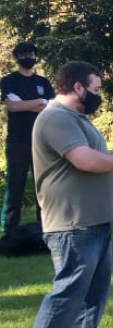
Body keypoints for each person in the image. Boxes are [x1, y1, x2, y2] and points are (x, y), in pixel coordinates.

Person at [7, 61, 113, 328]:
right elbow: (85, 161)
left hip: (95, 221)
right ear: (79, 87)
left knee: (93, 294)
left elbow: (95, 157)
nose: (100, 95)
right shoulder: (56, 117)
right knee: (67, 294)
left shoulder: (77, 119)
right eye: (96, 89)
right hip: (71, 224)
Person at [1, 42, 55, 233]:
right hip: (17, 142)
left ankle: (44, 227)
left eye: (31, 54)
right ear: (16, 58)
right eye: (24, 55)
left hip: (41, 141)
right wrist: (39, 102)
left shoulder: (43, 82)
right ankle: (9, 230)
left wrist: (29, 103)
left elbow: (50, 106)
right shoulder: (8, 81)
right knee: (15, 186)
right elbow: (13, 106)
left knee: (42, 185)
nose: (29, 58)